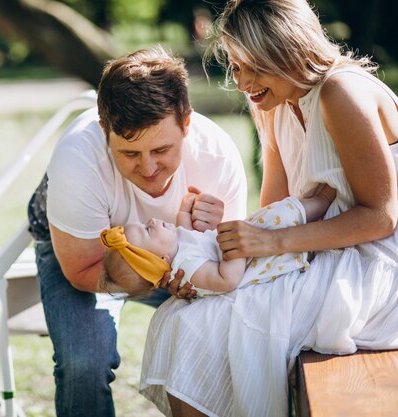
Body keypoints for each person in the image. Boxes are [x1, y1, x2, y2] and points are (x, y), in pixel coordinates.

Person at [139, 1, 398, 416]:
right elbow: (275, 210)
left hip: (375, 270)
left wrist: (270, 241)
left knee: (202, 329)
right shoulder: (273, 103)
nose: (241, 83)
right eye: (235, 67)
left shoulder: (340, 92)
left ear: (289, 51)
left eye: (253, 67)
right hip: (316, 257)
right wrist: (203, 260)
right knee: (179, 316)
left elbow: (382, 217)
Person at [27, 46, 248, 417]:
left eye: (161, 149)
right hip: (83, 251)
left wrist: (200, 244)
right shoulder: (77, 160)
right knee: (85, 361)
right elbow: (82, 271)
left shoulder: (217, 157)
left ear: (187, 124)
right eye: (129, 153)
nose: (148, 168)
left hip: (170, 251)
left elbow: (231, 271)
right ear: (104, 130)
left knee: (227, 334)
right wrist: (162, 278)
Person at [100, 185, 336, 297]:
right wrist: (233, 249)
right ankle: (325, 200)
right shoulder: (188, 267)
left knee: (278, 216)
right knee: (280, 217)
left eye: (143, 224)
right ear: (162, 259)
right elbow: (227, 280)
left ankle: (316, 206)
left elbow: (185, 228)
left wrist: (186, 207)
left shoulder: (178, 244)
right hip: (254, 263)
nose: (151, 221)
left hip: (252, 246)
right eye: (148, 231)